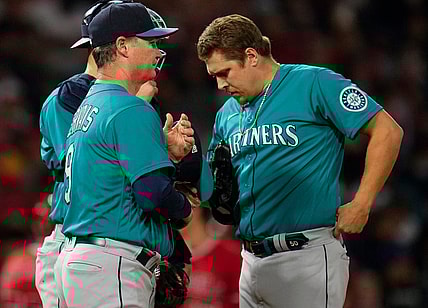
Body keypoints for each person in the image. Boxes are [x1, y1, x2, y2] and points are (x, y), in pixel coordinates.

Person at [197, 14, 404, 308]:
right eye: (214, 76)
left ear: (251, 56)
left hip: (305, 257)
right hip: (250, 260)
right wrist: (185, 160)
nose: (220, 84)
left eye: (225, 72)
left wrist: (362, 202)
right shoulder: (227, 113)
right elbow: (217, 195)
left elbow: (387, 130)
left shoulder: (313, 83)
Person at [53, 2, 197, 308]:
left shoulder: (90, 104)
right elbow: (151, 194)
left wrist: (160, 152)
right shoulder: (130, 108)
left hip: (79, 259)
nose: (159, 51)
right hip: (110, 264)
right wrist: (185, 211)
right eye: (151, 41)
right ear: (122, 46)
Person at [35, 0, 101, 306]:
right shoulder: (68, 98)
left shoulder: (138, 99)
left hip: (113, 243)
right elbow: (81, 165)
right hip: (74, 238)